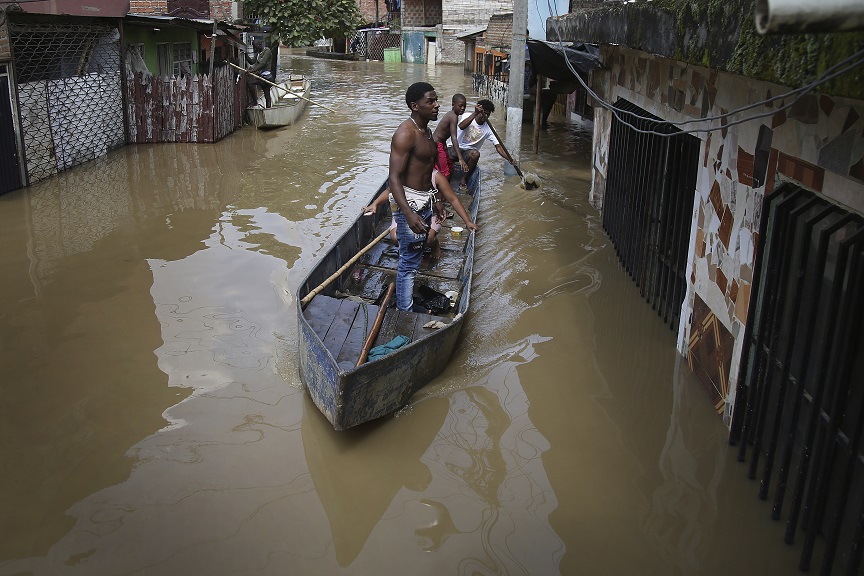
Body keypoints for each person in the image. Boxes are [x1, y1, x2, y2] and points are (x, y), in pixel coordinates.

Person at [388, 82, 442, 311]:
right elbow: (393, 178)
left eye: (436, 100)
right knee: (408, 265)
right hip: (409, 204)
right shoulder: (405, 134)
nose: (437, 105)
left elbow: (427, 171)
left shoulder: (427, 131)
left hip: (425, 200)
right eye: (430, 101)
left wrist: (437, 198)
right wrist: (408, 214)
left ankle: (405, 304)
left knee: (415, 257)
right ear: (415, 106)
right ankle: (404, 312)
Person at [363, 170, 478, 259]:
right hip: (404, 214)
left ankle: (434, 244)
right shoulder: (403, 173)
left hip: (429, 215)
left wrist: (467, 221)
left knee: (427, 240)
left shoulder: (435, 176)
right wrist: (375, 204)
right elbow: (389, 191)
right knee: (395, 239)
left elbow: (453, 199)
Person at [453, 99, 515, 191]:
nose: (485, 116)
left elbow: (498, 147)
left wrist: (509, 159)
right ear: (478, 111)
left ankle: (464, 179)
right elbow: (461, 126)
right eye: (483, 113)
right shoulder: (467, 116)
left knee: (476, 154)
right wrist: (475, 113)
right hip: (455, 149)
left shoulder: (490, 129)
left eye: (488, 114)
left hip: (468, 154)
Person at [431, 93, 468, 179]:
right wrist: (460, 158)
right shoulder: (453, 116)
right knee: (445, 172)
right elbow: (454, 138)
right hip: (437, 145)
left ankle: (447, 189)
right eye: (460, 106)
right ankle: (442, 191)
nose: (462, 108)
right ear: (453, 105)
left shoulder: (454, 116)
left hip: (442, 145)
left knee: (451, 168)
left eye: (464, 106)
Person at [246, 40, 273, 108]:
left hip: (267, 76)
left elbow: (262, 63)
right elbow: (252, 62)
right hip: (261, 76)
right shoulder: (258, 53)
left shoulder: (267, 51)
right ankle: (267, 108)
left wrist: (252, 70)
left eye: (255, 47)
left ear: (259, 45)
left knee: (250, 83)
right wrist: (245, 55)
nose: (255, 49)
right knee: (267, 95)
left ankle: (255, 101)